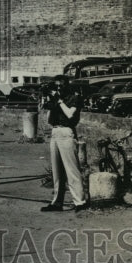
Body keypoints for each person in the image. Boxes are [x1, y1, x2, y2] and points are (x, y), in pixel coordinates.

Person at [40, 78, 89, 212]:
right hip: (55, 132)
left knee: (71, 169)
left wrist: (60, 102)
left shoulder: (74, 98)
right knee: (57, 171)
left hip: (67, 132)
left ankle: (80, 201)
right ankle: (57, 202)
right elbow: (50, 120)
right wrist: (49, 103)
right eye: (56, 87)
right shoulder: (56, 99)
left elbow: (69, 115)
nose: (58, 89)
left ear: (66, 86)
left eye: (59, 87)